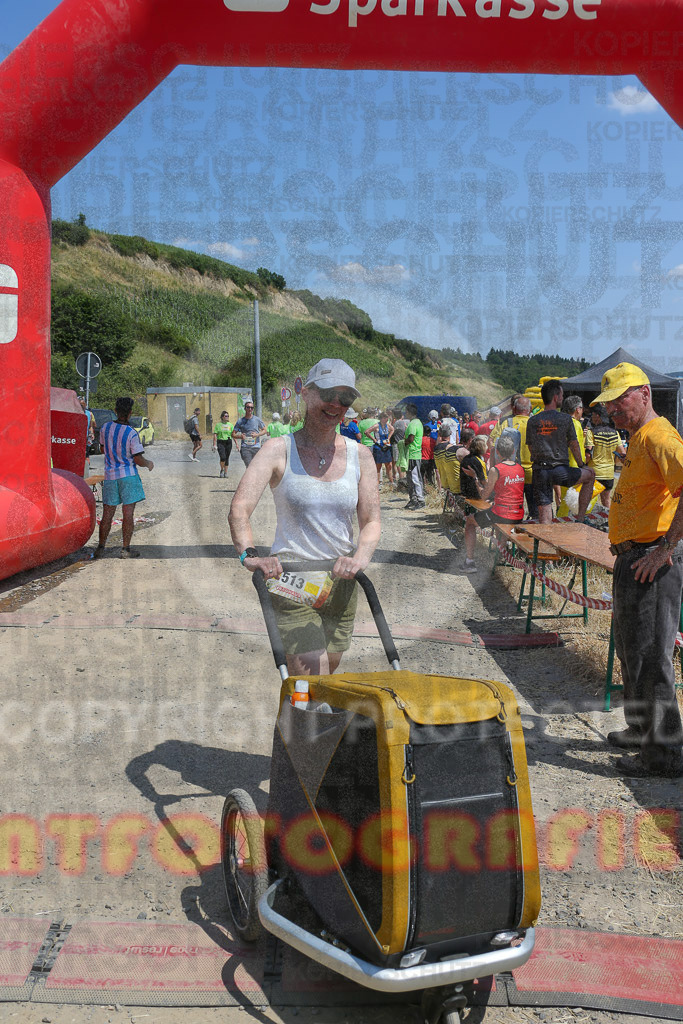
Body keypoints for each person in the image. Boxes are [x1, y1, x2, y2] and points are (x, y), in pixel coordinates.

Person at [228, 358, 380, 677]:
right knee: (312, 673)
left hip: (343, 579)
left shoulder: (361, 457)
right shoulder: (277, 450)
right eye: (328, 394)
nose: (336, 404)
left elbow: (371, 521)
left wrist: (359, 559)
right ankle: (302, 723)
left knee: (328, 674)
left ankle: (295, 723)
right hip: (291, 577)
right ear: (308, 394)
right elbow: (240, 507)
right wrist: (249, 555)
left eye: (346, 398)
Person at [590, 364, 683, 778]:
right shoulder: (640, 438)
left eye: (619, 401)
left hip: (651, 560)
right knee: (631, 649)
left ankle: (663, 755)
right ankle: (640, 728)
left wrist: (665, 549)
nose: (613, 411)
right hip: (633, 558)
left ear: (644, 393)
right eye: (607, 406)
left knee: (651, 657)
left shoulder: (661, 435)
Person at [526, 379, 595, 524]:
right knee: (590, 475)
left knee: (544, 513)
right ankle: (581, 519)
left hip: (540, 471)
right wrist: (581, 464)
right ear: (556, 397)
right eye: (562, 396)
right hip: (560, 471)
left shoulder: (532, 421)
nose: (562, 399)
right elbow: (574, 444)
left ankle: (545, 542)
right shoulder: (565, 419)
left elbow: (530, 447)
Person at [93, 397, 154, 559]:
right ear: (130, 413)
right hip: (128, 477)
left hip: (110, 477)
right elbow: (138, 459)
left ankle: (100, 548)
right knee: (128, 514)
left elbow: (102, 448)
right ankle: (125, 549)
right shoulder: (132, 433)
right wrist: (148, 463)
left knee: (107, 514)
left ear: (115, 411)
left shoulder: (105, 428)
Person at [586, 403, 627, 510]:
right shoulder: (615, 433)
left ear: (598, 416)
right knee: (606, 501)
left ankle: (586, 524)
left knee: (587, 501)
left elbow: (588, 454)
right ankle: (609, 523)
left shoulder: (592, 433)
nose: (592, 417)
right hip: (609, 474)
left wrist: (582, 465)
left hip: (594, 474)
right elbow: (623, 454)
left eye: (593, 414)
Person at [458, 435, 489, 573]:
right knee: (472, 522)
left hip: (467, 495)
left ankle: (469, 559)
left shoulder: (465, 459)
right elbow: (484, 482)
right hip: (477, 496)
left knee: (469, 522)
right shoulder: (478, 461)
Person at [233, 400, 267, 467]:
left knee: (257, 466)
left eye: (252, 407)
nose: (250, 409)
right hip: (245, 448)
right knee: (249, 466)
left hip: (256, 447)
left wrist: (257, 435)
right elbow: (233, 434)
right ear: (245, 408)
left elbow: (265, 430)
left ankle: (256, 477)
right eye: (248, 407)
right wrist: (240, 436)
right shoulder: (240, 421)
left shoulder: (257, 419)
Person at [403, 403, 425, 510]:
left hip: (413, 454)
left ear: (409, 412)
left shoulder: (412, 424)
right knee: (411, 478)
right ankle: (413, 499)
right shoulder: (418, 422)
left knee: (415, 478)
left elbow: (411, 438)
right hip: (414, 454)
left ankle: (420, 500)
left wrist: (403, 442)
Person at [366, 410, 394, 485]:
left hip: (386, 445)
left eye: (387, 418)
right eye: (385, 418)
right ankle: (378, 484)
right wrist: (374, 440)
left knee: (389, 465)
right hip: (378, 447)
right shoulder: (376, 425)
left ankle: (391, 481)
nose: (386, 420)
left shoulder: (387, 425)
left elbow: (392, 430)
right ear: (381, 418)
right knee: (378, 466)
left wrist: (389, 437)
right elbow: (367, 432)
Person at [212, 410, 233, 478]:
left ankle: (226, 472)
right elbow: (215, 435)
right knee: (223, 457)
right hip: (221, 442)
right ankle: (222, 470)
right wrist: (214, 444)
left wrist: (237, 444)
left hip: (228, 442)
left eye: (228, 416)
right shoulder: (218, 425)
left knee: (227, 458)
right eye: (226, 416)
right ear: (222, 417)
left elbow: (233, 434)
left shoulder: (230, 425)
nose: (227, 417)